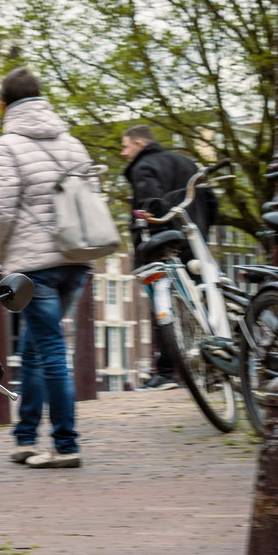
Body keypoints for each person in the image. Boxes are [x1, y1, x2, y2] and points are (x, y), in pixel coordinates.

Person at [0, 66, 94, 470]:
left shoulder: (7, 146)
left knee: (48, 351)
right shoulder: (73, 143)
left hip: (35, 266)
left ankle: (66, 444)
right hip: (75, 260)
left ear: (4, 104)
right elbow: (91, 196)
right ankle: (25, 438)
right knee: (32, 349)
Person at [120, 126, 217, 391]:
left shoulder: (144, 167)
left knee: (165, 308)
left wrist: (154, 241)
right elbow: (211, 202)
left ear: (139, 143)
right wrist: (202, 229)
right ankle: (214, 368)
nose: (123, 152)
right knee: (201, 303)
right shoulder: (186, 162)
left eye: (125, 146)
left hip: (164, 247)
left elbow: (152, 206)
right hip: (194, 242)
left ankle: (165, 373)